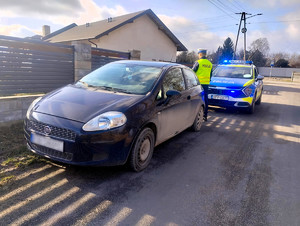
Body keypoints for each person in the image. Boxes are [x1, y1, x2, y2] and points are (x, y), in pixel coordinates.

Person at [192, 48, 212, 121]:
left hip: (197, 84)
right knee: (205, 100)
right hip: (206, 84)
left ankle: (194, 116)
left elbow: (192, 72)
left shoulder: (198, 62)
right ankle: (205, 115)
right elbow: (210, 75)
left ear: (200, 54)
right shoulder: (210, 64)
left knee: (195, 99)